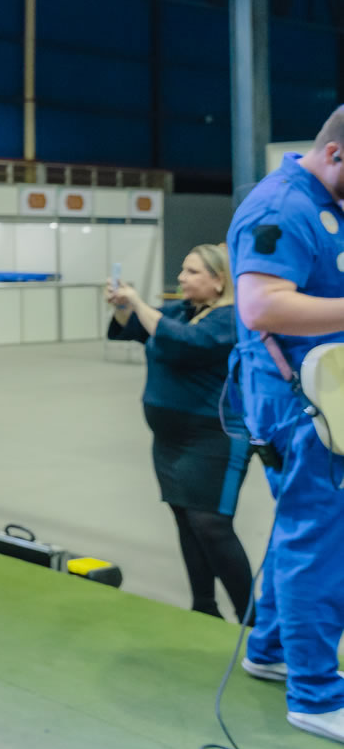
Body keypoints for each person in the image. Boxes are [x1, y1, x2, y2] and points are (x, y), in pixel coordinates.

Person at [230, 108, 344, 745]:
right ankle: (316, 695)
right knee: (320, 541)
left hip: (319, 396)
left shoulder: (325, 203)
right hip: (298, 405)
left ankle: (271, 649)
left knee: (302, 529)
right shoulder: (282, 207)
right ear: (336, 153)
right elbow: (261, 305)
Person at [106, 243, 250, 621]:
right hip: (170, 441)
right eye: (183, 270)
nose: (182, 278)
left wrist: (138, 302)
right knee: (185, 519)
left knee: (212, 525)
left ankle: (253, 620)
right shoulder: (182, 311)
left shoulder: (232, 319)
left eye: (192, 272)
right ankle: (203, 607)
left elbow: (184, 342)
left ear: (219, 281)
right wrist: (123, 307)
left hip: (214, 438)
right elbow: (137, 329)